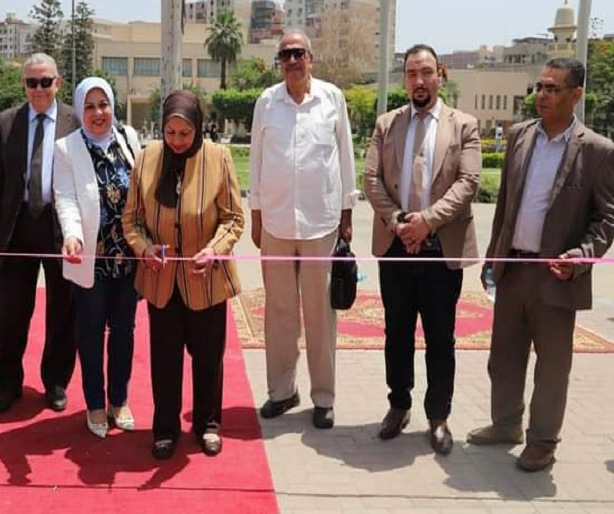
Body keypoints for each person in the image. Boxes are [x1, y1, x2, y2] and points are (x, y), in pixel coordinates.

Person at [468, 57, 614, 472]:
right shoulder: (519, 137)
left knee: (552, 366)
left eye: (553, 88)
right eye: (540, 86)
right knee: (505, 356)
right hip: (514, 268)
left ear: (576, 95)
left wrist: (582, 258)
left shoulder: (598, 151)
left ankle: (543, 441)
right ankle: (505, 425)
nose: (543, 94)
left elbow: (607, 217)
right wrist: (494, 257)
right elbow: (504, 207)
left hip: (557, 276)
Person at [363, 44, 481, 455]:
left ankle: (438, 416)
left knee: (440, 337)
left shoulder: (463, 125)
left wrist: (427, 220)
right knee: (396, 332)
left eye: (426, 72)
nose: (419, 80)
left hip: (440, 248)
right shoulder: (387, 124)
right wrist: (399, 222)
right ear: (405, 79)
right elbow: (371, 179)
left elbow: (468, 183)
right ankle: (399, 404)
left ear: (440, 75)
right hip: (396, 245)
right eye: (412, 73)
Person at [123, 89, 243, 459]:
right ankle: (165, 428)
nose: (177, 142)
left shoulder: (218, 158)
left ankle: (208, 423)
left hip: (205, 280)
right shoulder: (146, 159)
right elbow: (132, 220)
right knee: (165, 360)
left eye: (185, 134)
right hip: (162, 284)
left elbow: (234, 218)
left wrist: (215, 249)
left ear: (198, 129)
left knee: (208, 358)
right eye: (170, 133)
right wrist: (144, 249)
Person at [249, 30, 358, 430]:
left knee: (320, 314)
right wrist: (257, 216)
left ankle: (323, 397)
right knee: (278, 312)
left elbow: (345, 157)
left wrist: (347, 212)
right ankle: (281, 391)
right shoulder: (267, 102)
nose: (292, 60)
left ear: (312, 57)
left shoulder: (332, 99)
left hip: (321, 223)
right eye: (285, 54)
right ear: (279, 62)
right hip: (276, 222)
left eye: (299, 53)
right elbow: (257, 162)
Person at [0, 54, 78, 415]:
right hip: (17, 228)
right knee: (9, 312)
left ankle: (55, 382)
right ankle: (8, 384)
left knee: (63, 311)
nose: (38, 89)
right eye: (31, 82)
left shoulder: (75, 120)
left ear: (58, 83)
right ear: (23, 85)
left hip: (60, 227)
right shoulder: (7, 121)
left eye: (45, 82)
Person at [53, 76, 142, 438]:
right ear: (78, 110)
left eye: (103, 105)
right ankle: (93, 403)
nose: (97, 113)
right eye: (89, 107)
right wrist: (71, 234)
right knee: (90, 333)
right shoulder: (65, 148)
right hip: (89, 259)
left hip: (127, 258)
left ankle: (118, 400)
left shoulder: (129, 138)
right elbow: (66, 198)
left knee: (124, 332)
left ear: (112, 107)